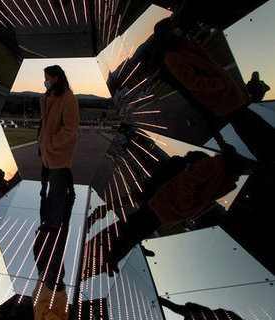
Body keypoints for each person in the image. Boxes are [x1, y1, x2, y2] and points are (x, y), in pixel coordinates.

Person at [153, 17, 275, 164]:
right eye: (173, 28)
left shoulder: (182, 46)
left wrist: (191, 44)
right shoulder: (172, 58)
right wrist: (220, 83)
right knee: (252, 132)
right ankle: (268, 159)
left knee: (256, 127)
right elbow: (194, 82)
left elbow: (205, 60)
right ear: (167, 34)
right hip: (225, 100)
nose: (177, 29)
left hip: (232, 95)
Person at [103, 152, 245, 275]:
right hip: (161, 201)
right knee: (136, 228)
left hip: (161, 202)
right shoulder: (206, 166)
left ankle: (115, 251)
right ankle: (113, 253)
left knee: (136, 228)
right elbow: (182, 181)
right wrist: (186, 206)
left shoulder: (220, 173)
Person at [37, 65, 79, 228]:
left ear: (56, 78)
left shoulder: (68, 98)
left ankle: (53, 223)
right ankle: (70, 196)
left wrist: (51, 143)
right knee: (57, 184)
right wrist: (43, 142)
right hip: (48, 151)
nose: (45, 82)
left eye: (47, 78)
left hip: (58, 152)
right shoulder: (50, 96)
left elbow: (71, 127)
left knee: (56, 191)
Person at [158, 297, 243, 320]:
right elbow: (216, 312)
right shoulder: (231, 316)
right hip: (195, 312)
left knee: (174, 307)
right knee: (175, 307)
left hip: (196, 312)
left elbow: (217, 312)